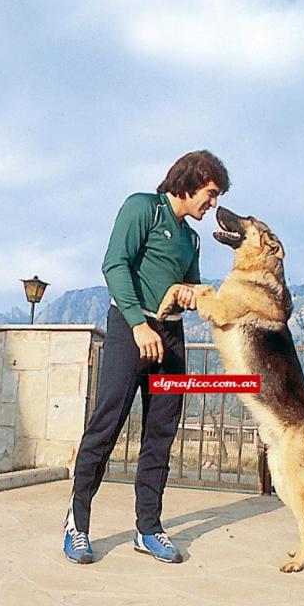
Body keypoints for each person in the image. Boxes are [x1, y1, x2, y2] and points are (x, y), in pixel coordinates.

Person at [63, 150, 230, 564]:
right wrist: (139, 325)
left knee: (161, 434)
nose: (212, 205)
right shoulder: (144, 209)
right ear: (191, 181)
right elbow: (114, 265)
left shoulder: (190, 239)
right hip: (129, 329)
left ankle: (148, 528)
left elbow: (188, 285)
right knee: (106, 426)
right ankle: (77, 525)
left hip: (170, 339)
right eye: (210, 194)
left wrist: (191, 294)